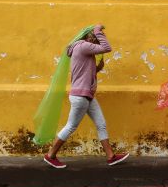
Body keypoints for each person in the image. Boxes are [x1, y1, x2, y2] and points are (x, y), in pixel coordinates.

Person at [43, 24, 129, 169]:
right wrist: (97, 30)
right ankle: (50, 155)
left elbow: (84, 73)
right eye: (95, 38)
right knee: (71, 126)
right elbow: (107, 48)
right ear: (89, 36)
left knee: (101, 124)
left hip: (86, 95)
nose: (96, 42)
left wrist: (97, 69)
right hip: (81, 96)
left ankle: (110, 156)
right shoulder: (83, 46)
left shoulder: (81, 49)